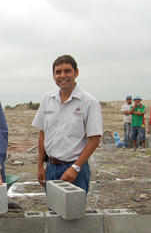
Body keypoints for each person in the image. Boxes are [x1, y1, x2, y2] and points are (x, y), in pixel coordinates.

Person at [32, 55, 102, 194]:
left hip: (75, 169)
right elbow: (42, 134)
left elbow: (95, 139)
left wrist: (75, 168)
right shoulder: (48, 99)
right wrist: (40, 166)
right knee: (52, 212)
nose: (62, 76)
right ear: (53, 75)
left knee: (74, 212)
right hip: (51, 167)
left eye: (67, 71)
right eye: (58, 72)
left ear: (76, 73)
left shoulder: (88, 102)